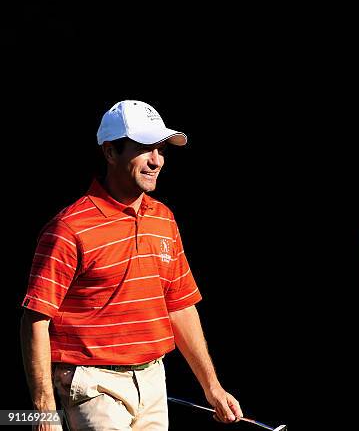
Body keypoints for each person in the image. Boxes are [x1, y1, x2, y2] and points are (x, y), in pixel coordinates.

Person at [20, 100, 243, 430]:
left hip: (153, 380)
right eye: (144, 149)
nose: (157, 161)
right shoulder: (69, 228)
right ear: (111, 152)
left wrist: (211, 386)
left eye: (161, 150)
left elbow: (180, 307)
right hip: (92, 384)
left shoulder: (163, 219)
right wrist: (43, 410)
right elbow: (35, 320)